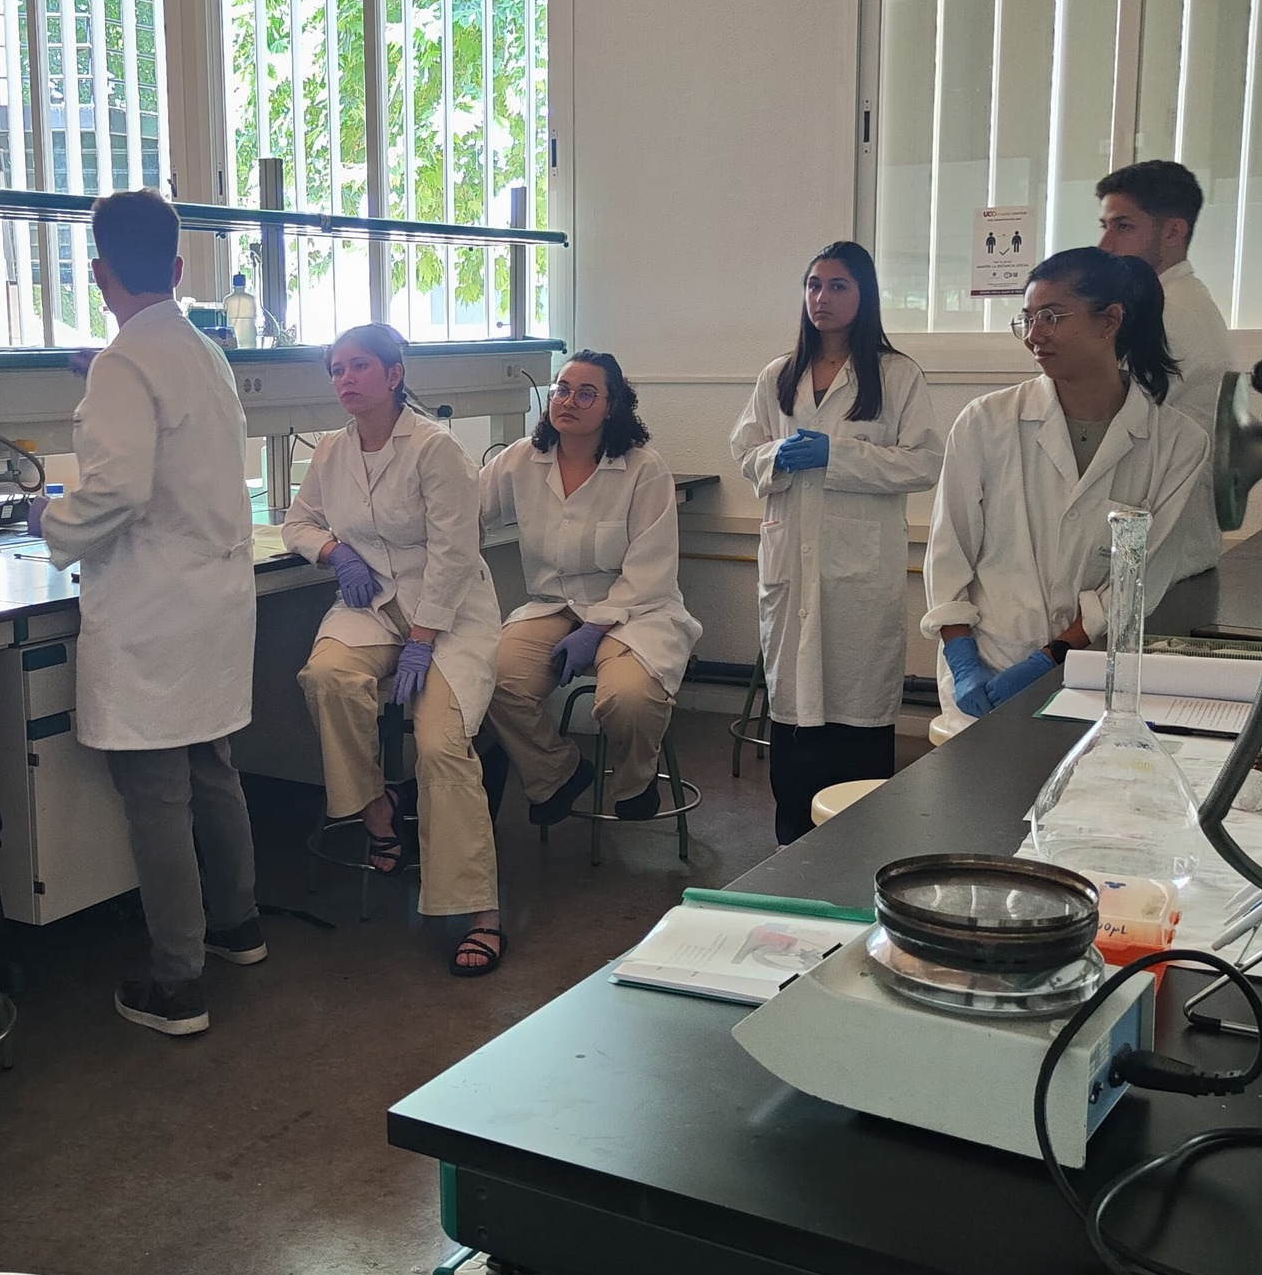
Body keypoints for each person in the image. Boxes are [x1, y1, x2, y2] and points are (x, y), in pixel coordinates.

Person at [41, 190, 263, 1038]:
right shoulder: (200, 349)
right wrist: (103, 378)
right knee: (212, 765)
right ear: (176, 267)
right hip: (212, 597)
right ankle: (237, 926)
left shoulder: (123, 363)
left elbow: (118, 491)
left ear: (98, 273)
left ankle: (178, 982)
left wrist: (49, 523)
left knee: (158, 793)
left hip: (154, 608)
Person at [283, 325, 508, 975]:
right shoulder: (331, 450)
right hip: (372, 607)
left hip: (450, 613)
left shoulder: (435, 449)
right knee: (326, 677)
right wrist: (334, 551)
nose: (345, 378)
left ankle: (479, 910)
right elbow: (297, 522)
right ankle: (378, 808)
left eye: (359, 365)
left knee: (438, 745)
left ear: (394, 374)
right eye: (336, 369)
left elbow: (456, 552)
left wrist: (424, 639)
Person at [923, 247, 1210, 722]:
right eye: (1027, 319)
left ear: (1109, 321)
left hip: (1093, 673)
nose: (1034, 335)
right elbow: (949, 551)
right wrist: (962, 661)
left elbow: (1141, 578)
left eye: (1051, 317)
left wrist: (1052, 656)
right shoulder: (985, 422)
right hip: (985, 666)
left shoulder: (1178, 444)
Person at [729, 241, 943, 844]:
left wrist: (837, 456)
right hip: (790, 569)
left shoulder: (896, 375)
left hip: (858, 577)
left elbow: (924, 462)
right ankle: (792, 850)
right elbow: (744, 449)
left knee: (856, 713)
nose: (822, 297)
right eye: (814, 285)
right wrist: (778, 454)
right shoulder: (779, 374)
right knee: (794, 717)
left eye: (838, 286)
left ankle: (858, 851)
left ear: (864, 294)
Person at [480, 350, 701, 824]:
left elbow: (650, 570)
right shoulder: (521, 459)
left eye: (586, 394)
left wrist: (595, 628)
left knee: (629, 699)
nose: (568, 401)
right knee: (492, 680)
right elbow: (464, 512)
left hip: (635, 610)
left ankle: (636, 782)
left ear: (612, 405)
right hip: (552, 607)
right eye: (562, 390)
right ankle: (557, 772)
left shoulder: (643, 469)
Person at [1096, 160, 1236, 625]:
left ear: (1174, 231)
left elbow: (1102, 419)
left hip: (1161, 560)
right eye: (1104, 226)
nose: (1105, 244)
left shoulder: (1170, 314)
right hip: (1163, 551)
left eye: (1123, 226)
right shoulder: (1185, 302)